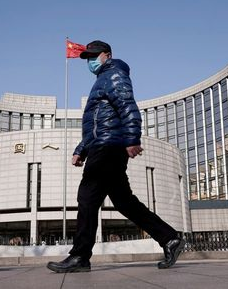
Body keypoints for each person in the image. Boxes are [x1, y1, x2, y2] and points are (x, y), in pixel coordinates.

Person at [47, 40, 184, 273]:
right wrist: (81, 149)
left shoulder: (114, 74)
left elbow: (128, 107)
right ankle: (170, 239)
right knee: (124, 202)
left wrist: (132, 139)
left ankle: (80, 256)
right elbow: (98, 124)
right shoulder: (103, 79)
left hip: (108, 147)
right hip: (104, 145)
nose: (90, 60)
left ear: (106, 55)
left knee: (87, 198)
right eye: (87, 57)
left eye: (93, 55)